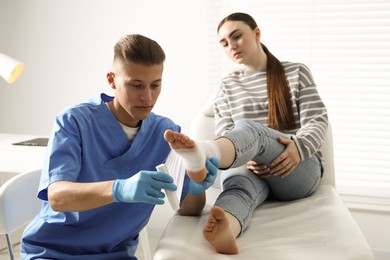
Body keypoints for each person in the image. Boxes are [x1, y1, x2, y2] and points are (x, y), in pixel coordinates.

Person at [20, 34, 219, 260]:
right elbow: (57, 197)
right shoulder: (74, 121)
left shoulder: (165, 133)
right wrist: (119, 189)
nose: (147, 96)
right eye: (136, 85)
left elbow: (189, 209)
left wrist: (197, 185)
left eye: (155, 85)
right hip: (54, 251)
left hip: (116, 255)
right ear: (112, 80)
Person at [164, 12, 328, 255]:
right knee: (237, 188)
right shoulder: (227, 86)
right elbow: (225, 133)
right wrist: (248, 159)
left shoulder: (296, 72)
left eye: (236, 36)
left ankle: (206, 152)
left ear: (257, 33)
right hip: (251, 170)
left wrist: (298, 147)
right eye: (224, 43)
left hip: (296, 168)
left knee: (250, 130)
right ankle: (228, 228)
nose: (231, 46)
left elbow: (317, 119)